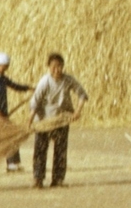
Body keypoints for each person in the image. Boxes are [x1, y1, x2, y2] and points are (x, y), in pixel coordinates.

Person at [28, 52, 89, 189]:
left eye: (59, 66)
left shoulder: (68, 80)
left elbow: (82, 94)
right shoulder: (45, 81)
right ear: (48, 67)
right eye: (53, 67)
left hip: (61, 120)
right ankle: (38, 179)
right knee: (40, 150)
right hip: (44, 120)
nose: (57, 70)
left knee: (60, 150)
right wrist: (30, 121)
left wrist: (77, 111)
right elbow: (35, 102)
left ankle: (58, 179)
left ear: (63, 66)